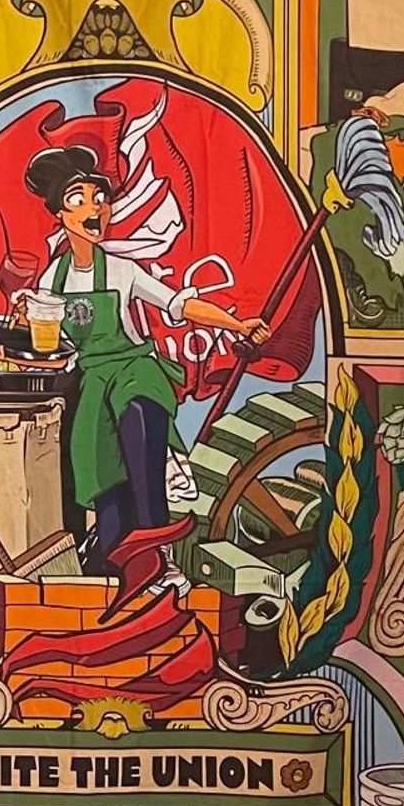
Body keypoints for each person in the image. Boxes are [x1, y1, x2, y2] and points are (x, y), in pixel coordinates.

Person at [20, 142, 269, 576]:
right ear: (60, 215)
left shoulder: (122, 270)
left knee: (140, 437)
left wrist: (238, 325)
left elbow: (180, 305)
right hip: (92, 383)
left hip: (136, 372)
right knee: (101, 472)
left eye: (100, 199)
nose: (94, 209)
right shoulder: (50, 279)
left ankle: (160, 556)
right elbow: (48, 342)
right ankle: (119, 563)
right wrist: (27, 318)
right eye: (78, 200)